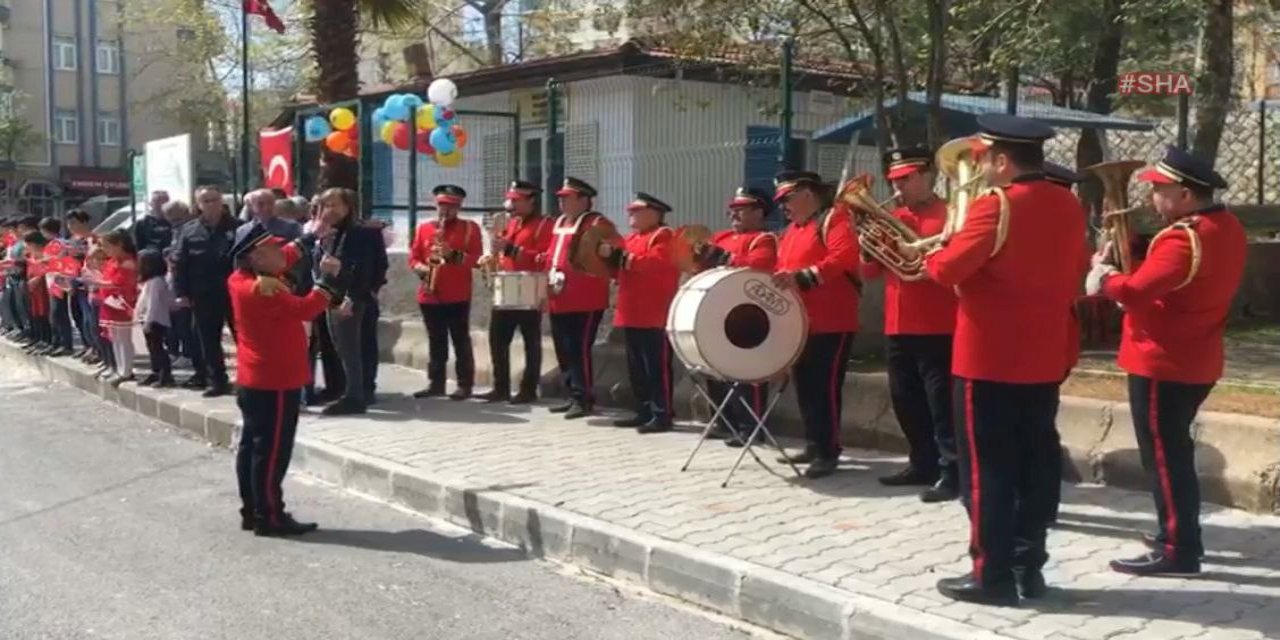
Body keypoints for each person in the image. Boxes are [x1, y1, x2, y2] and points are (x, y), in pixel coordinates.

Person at [917, 114, 1086, 606]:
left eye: (984, 158)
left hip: (988, 357)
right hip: (1043, 355)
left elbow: (947, 268)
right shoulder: (1068, 205)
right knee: (1034, 463)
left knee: (987, 469)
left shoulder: (996, 207)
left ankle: (989, 573)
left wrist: (938, 251)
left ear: (1003, 160)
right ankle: (1028, 568)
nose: (981, 166)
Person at [1086, 145, 1248, 576]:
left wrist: (1105, 277)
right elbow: (1175, 282)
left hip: (1163, 361)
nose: (1151, 199)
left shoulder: (1183, 236)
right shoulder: (1225, 226)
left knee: (1164, 457)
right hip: (1196, 357)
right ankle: (1174, 535)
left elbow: (1135, 292)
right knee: (1171, 451)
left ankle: (1179, 548)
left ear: (1184, 195)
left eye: (1159, 190)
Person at [228, 221, 345, 536]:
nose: (282, 252)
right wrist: (326, 279)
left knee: (252, 447)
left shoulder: (243, 277)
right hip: (275, 379)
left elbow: (288, 255)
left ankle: (253, 510)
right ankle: (270, 516)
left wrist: (310, 237)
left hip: (257, 377)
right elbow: (306, 309)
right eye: (272, 249)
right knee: (272, 452)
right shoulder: (263, 287)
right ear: (256, 257)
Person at [862, 147, 961, 503]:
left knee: (941, 403)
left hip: (938, 323)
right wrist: (867, 246)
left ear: (927, 176)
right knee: (905, 400)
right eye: (894, 180)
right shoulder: (891, 216)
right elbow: (871, 271)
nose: (898, 187)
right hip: (897, 323)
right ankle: (922, 463)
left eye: (905, 179)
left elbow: (955, 263)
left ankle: (954, 471)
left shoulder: (950, 214)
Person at [771, 171, 860, 479]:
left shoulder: (834, 219)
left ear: (807, 194)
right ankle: (814, 441)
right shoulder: (792, 230)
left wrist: (802, 277)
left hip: (832, 320)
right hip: (801, 322)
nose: (783, 206)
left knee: (824, 387)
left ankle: (828, 449)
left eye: (787, 198)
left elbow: (844, 258)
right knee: (805, 386)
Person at [694, 187, 778, 447]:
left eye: (741, 209)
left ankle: (750, 427)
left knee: (745, 372)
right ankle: (724, 421)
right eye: (733, 209)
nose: (734, 214)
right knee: (716, 370)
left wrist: (725, 257)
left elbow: (759, 265)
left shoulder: (764, 239)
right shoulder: (722, 236)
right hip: (718, 311)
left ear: (758, 212)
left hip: (746, 312)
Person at [600, 192, 681, 433]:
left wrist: (618, 257)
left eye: (636, 211)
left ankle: (662, 413)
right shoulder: (634, 237)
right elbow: (623, 269)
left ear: (653, 214)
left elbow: (653, 264)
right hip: (632, 310)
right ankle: (643, 409)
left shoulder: (664, 236)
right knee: (636, 368)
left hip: (654, 312)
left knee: (656, 367)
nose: (630, 214)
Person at [542, 177, 613, 419]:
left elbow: (611, 254)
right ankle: (572, 394)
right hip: (558, 295)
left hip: (585, 299)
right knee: (563, 349)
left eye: (567, 198)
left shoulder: (597, 223)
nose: (561, 202)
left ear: (584, 200)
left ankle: (584, 398)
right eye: (560, 198)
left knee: (578, 349)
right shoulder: (560, 222)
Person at [313, 187, 389, 415]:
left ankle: (356, 394)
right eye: (326, 206)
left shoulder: (362, 233)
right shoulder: (328, 233)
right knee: (340, 348)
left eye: (335, 205)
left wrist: (355, 294)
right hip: (331, 296)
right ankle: (346, 390)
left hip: (352, 298)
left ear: (348, 207)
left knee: (354, 349)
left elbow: (368, 268)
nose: (329, 210)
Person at [408, 185, 482, 400]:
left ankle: (464, 384)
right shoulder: (424, 228)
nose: (445, 210)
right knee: (435, 340)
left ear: (459, 207)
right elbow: (413, 257)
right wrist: (419, 268)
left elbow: (477, 260)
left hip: (457, 294)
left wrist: (452, 255)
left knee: (460, 340)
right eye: (442, 205)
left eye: (451, 206)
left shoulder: (470, 229)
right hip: (429, 293)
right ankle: (436, 383)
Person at [482, 180, 554, 404]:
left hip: (529, 285)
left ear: (531, 200)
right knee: (497, 339)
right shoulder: (512, 223)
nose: (510, 205)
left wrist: (511, 249)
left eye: (516, 201)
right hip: (506, 285)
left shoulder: (544, 224)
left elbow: (544, 257)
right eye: (510, 200)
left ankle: (528, 389)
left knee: (530, 341)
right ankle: (500, 387)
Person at [171, 187, 238, 396]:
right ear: (198, 204)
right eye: (205, 201)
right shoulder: (188, 230)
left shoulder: (239, 227)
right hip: (203, 293)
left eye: (214, 200)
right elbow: (179, 263)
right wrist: (181, 293)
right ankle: (217, 380)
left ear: (222, 201)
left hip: (235, 293)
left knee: (243, 337)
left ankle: (249, 378)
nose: (210, 204)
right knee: (208, 340)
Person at [95, 230, 140, 387]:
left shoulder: (128, 262)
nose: (105, 250)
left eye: (107, 246)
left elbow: (120, 283)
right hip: (109, 303)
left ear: (119, 245)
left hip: (121, 303)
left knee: (123, 338)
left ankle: (126, 371)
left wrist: (97, 283)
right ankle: (119, 368)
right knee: (115, 338)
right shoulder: (113, 261)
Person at [134, 249, 176, 387]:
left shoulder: (157, 282)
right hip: (148, 318)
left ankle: (165, 375)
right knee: (152, 348)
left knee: (158, 348)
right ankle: (156, 372)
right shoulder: (150, 281)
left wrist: (148, 321)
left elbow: (154, 303)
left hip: (155, 319)